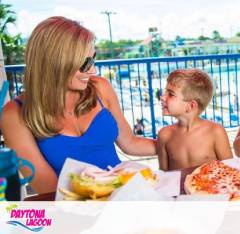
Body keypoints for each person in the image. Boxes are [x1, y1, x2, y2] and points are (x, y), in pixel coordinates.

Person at [0, 16, 156, 194]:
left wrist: (174, 141)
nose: (93, 71)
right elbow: (50, 190)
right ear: (54, 63)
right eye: (84, 64)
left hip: (127, 195)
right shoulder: (14, 114)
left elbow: (130, 143)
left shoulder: (100, 88)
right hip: (74, 211)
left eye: (93, 60)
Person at [156, 69, 233, 170]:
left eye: (170, 94)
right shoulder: (164, 135)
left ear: (191, 106)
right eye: (165, 92)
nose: (162, 97)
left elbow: (230, 170)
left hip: (209, 185)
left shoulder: (215, 132)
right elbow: (164, 176)